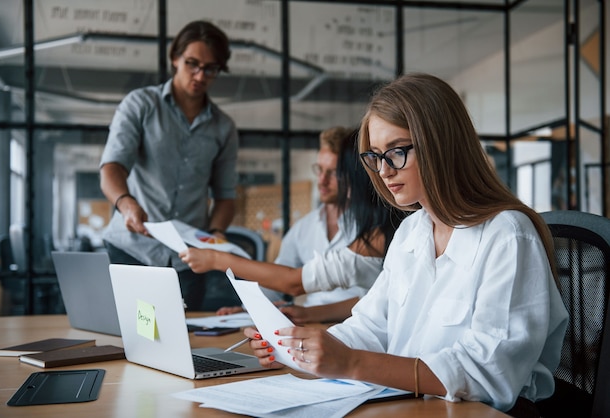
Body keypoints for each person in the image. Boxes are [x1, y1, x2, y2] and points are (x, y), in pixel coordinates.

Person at [243, 73, 569, 416]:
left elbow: (489, 373)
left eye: (396, 152)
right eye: (375, 156)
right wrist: (297, 347)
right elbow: (370, 327)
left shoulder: (507, 236)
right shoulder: (411, 232)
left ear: (439, 145)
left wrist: (352, 363)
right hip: (409, 405)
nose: (384, 171)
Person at [180, 129, 405, 324]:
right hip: (325, 324)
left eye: (337, 174)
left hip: (354, 327)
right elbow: (280, 279)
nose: (323, 180)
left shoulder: (382, 234)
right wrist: (253, 310)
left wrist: (217, 259)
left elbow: (293, 282)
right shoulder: (304, 228)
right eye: (319, 170)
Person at [99, 21, 238, 310]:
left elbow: (225, 196)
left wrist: (216, 234)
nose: (200, 75)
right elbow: (112, 167)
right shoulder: (140, 104)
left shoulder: (224, 127)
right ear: (175, 58)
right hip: (131, 249)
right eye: (192, 64)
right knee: (125, 338)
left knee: (184, 342)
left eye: (210, 69)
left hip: (188, 260)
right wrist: (125, 204)